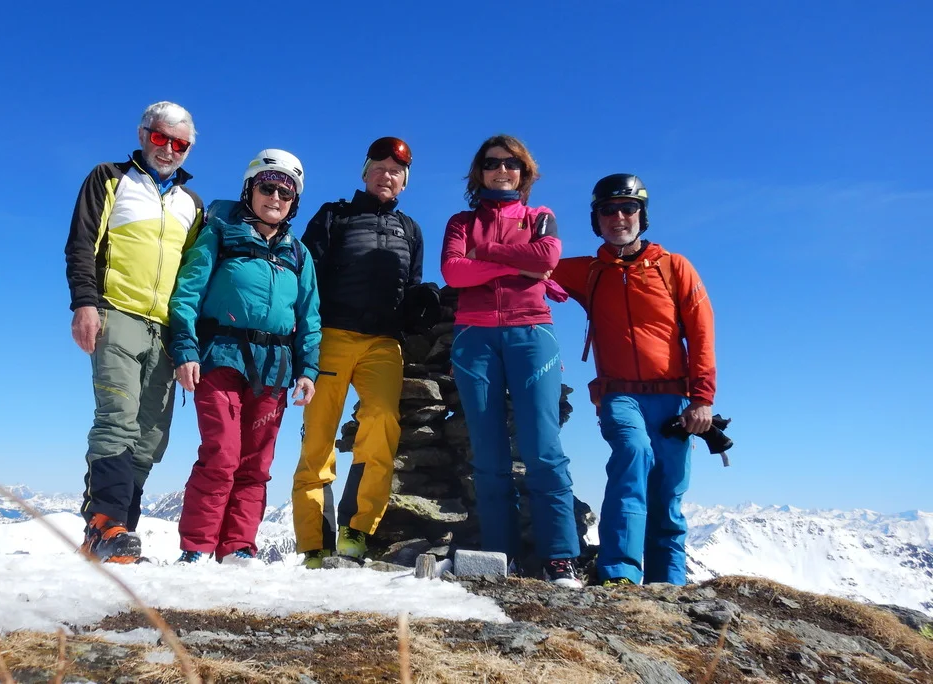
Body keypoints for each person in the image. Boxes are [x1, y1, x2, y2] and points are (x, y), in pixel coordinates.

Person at [550, 174, 716, 586]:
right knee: (634, 455)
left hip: (676, 398)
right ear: (596, 220)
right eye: (608, 210)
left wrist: (702, 398)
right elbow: (534, 264)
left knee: (669, 491)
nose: (618, 216)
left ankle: (668, 585)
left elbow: (701, 332)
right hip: (619, 394)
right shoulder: (589, 272)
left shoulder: (675, 268)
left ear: (643, 216)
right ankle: (619, 575)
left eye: (628, 208)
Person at [440, 134, 582, 588]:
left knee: (543, 446)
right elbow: (453, 271)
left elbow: (548, 258)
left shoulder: (541, 217)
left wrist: (488, 255)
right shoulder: (461, 221)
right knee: (487, 450)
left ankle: (559, 557)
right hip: (474, 336)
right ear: (478, 172)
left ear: (524, 172)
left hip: (531, 330)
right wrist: (518, 265)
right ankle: (502, 554)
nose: (502, 170)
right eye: (491, 163)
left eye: (511, 163)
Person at [65, 101, 204, 564]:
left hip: (166, 329)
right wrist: (85, 302)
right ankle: (103, 525)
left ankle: (123, 531)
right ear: (144, 134)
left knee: (150, 436)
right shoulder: (110, 178)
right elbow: (82, 242)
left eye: (179, 143)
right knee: (117, 418)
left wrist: (189, 339)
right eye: (161, 138)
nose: (169, 150)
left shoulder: (192, 205)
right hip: (116, 313)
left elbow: (191, 276)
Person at [169, 149, 321, 565]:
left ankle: (238, 546)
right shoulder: (219, 234)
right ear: (250, 189)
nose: (275, 197)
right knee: (221, 454)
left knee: (257, 463)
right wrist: (184, 348)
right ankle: (197, 547)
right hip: (220, 356)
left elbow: (309, 316)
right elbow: (186, 293)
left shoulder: (299, 254)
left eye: (285, 193)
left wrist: (308, 369)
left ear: (294, 203)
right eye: (267, 187)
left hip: (275, 367)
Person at [291, 137, 437, 568]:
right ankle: (314, 545)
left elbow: (412, 285)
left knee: (382, 424)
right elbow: (306, 275)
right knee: (318, 436)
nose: (387, 175)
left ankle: (357, 530)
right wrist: (304, 336)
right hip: (332, 336)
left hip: (383, 343)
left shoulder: (410, 230)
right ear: (365, 172)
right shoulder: (333, 215)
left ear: (404, 182)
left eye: (396, 170)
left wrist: (420, 306)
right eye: (380, 166)